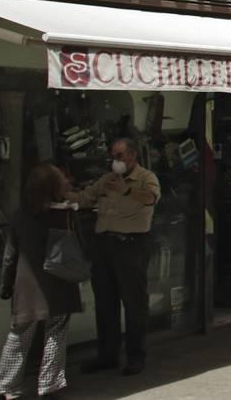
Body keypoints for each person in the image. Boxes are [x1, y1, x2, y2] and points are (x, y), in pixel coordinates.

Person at [0, 163, 84, 400]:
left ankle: (1, 387)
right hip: (60, 283)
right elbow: (80, 247)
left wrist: (6, 285)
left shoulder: (20, 215)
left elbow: (10, 255)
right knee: (56, 334)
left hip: (27, 287)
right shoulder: (66, 214)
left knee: (19, 334)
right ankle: (49, 386)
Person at [68, 138, 160, 377]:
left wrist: (128, 190)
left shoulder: (146, 177)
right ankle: (107, 355)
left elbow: (151, 198)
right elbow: (86, 197)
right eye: (113, 156)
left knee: (134, 304)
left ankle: (135, 357)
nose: (115, 160)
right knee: (105, 303)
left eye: (119, 155)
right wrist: (61, 192)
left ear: (132, 155)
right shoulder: (106, 179)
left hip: (131, 245)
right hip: (105, 245)